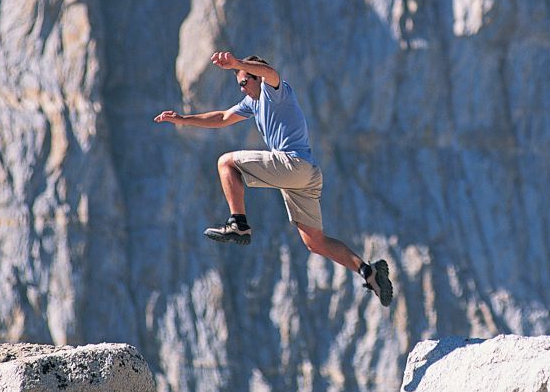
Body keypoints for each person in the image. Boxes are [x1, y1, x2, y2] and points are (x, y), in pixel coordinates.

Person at [154, 51, 393, 306]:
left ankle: (238, 223)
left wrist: (236, 63)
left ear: (257, 77)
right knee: (315, 242)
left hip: (293, 164)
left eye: (245, 82)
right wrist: (183, 119)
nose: (243, 89)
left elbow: (271, 72)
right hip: (305, 175)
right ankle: (369, 272)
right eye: (239, 85)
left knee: (225, 162)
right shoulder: (252, 103)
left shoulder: (274, 90)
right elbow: (222, 117)